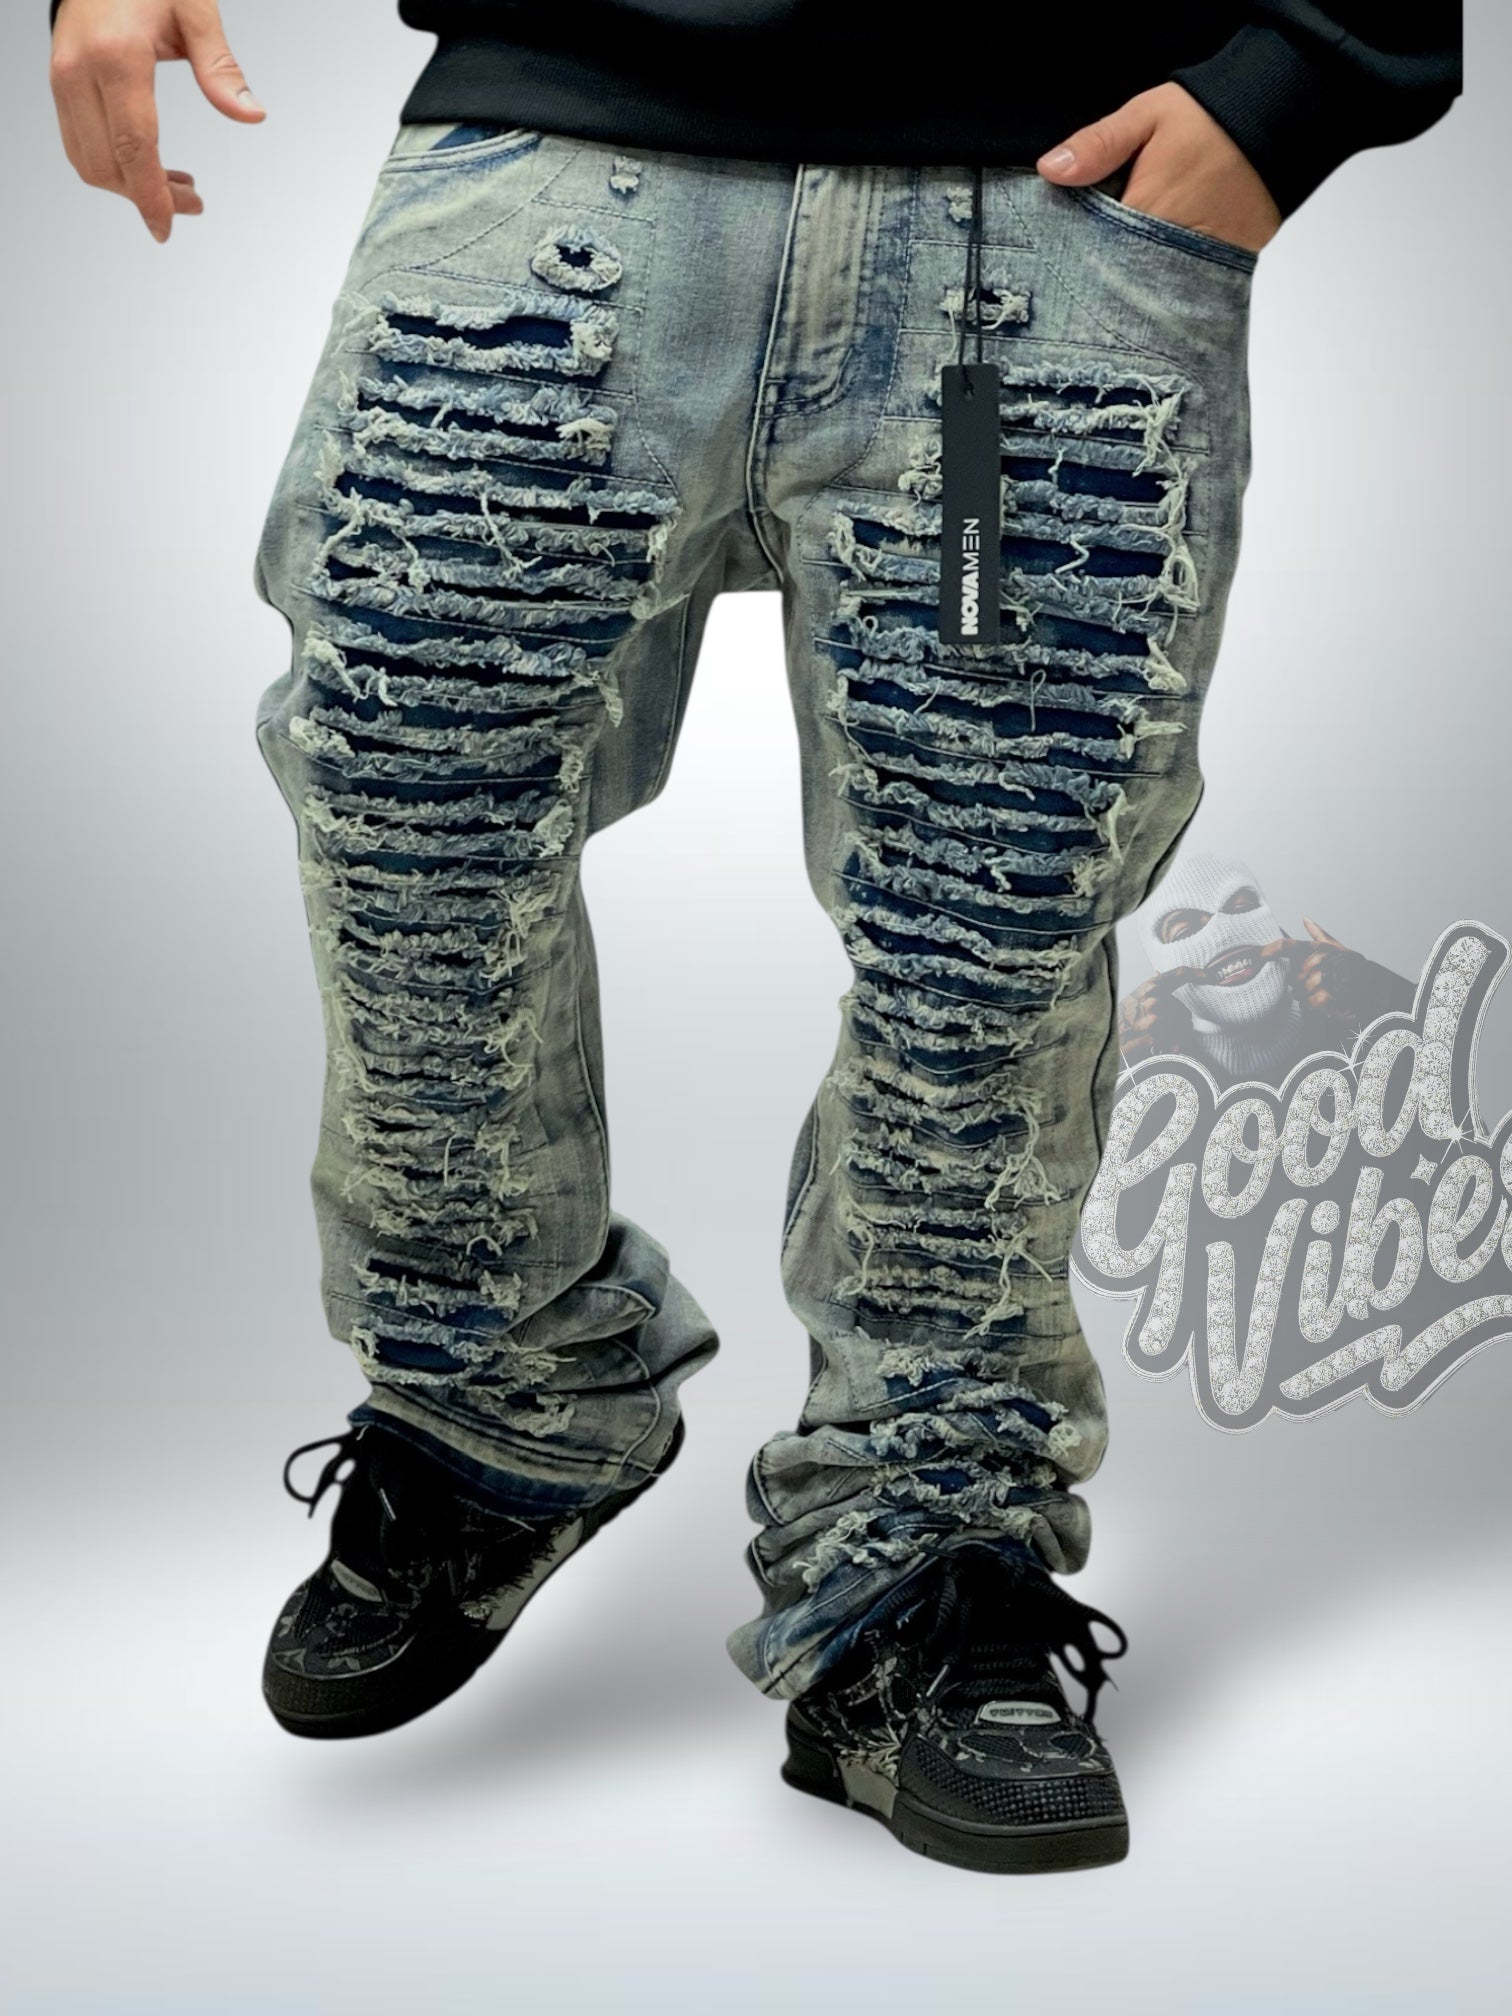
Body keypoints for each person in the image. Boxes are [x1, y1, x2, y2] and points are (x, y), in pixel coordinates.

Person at [47, 0, 1462, 1875]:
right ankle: (502, 1410)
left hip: (1041, 214)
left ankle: (923, 1550)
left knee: (984, 923)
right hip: (553, 159)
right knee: (406, 810)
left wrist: (1302, 80)